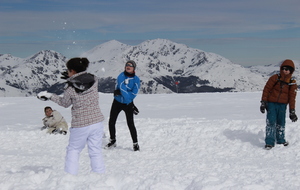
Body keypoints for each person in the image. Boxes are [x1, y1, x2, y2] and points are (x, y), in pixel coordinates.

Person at [37, 57, 105, 175]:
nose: (67, 72)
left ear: (73, 71)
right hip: (97, 121)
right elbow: (84, 79)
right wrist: (73, 78)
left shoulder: (70, 88)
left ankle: (69, 177)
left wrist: (50, 96)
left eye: (68, 70)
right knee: (95, 150)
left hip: (81, 124)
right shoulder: (94, 79)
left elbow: (65, 103)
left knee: (74, 150)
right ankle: (99, 175)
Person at [260, 59, 298, 150]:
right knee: (271, 122)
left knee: (281, 122)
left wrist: (292, 111)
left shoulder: (292, 82)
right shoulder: (274, 78)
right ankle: (269, 142)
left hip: (283, 105)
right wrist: (263, 102)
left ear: (291, 71)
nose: (285, 71)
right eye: (284, 68)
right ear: (281, 69)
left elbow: (292, 97)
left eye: (288, 69)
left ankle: (280, 140)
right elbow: (267, 89)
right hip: (271, 103)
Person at [105, 60, 141, 151]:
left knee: (130, 123)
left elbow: (134, 92)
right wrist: (130, 101)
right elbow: (123, 89)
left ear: (134, 68)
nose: (128, 66)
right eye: (127, 65)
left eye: (130, 65)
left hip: (128, 104)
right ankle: (112, 140)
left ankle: (135, 144)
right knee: (112, 121)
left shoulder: (136, 80)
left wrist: (130, 102)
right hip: (117, 102)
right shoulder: (121, 76)